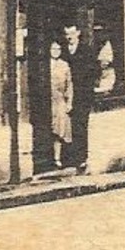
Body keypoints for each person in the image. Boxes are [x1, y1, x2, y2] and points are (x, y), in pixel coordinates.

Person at [63, 22, 96, 171]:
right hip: (66, 94)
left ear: (78, 34)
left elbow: (93, 72)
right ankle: (68, 158)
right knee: (66, 127)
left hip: (82, 95)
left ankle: (81, 158)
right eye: (67, 34)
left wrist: (87, 90)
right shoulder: (62, 51)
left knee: (80, 126)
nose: (69, 36)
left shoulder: (86, 50)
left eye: (71, 33)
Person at [49, 38, 72, 168]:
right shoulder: (45, 65)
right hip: (48, 100)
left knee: (61, 129)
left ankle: (58, 158)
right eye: (53, 49)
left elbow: (69, 85)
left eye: (58, 49)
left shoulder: (64, 65)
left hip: (60, 100)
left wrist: (69, 102)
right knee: (50, 129)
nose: (55, 52)